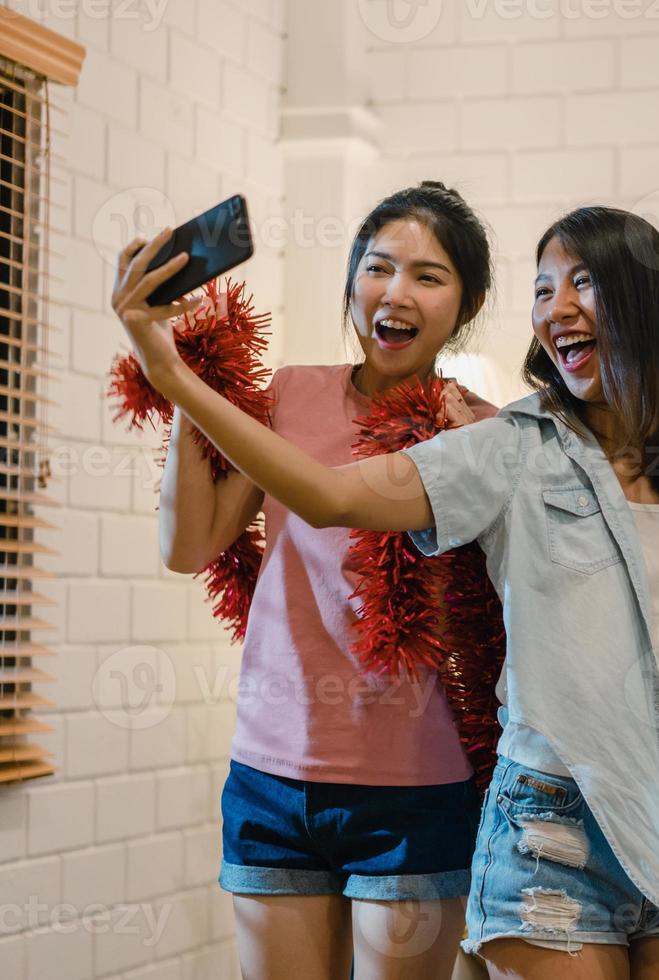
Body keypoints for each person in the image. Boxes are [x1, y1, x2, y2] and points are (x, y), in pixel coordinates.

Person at [114, 205, 659, 980]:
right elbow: (275, 515)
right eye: (544, 289)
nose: (559, 307)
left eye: (585, 282)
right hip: (453, 803)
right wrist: (177, 374)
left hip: (592, 805)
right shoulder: (503, 443)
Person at [148, 181, 497, 980]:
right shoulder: (288, 396)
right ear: (350, 284)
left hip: (416, 781)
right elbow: (191, 543)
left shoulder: (479, 430)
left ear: (466, 303)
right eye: (378, 268)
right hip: (272, 777)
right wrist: (185, 385)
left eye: (429, 276)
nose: (396, 292)